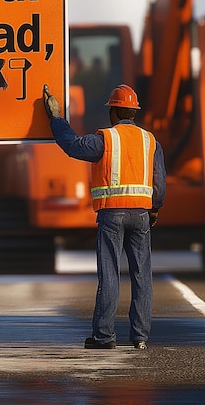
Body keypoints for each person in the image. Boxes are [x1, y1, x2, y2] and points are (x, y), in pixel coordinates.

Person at [43, 83, 166, 350]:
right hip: (142, 215)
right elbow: (160, 182)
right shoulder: (150, 141)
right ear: (134, 112)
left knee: (109, 274)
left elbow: (72, 146)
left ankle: (104, 337)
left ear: (113, 111)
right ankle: (140, 337)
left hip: (112, 214)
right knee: (142, 274)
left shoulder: (106, 139)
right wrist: (154, 208)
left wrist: (56, 119)